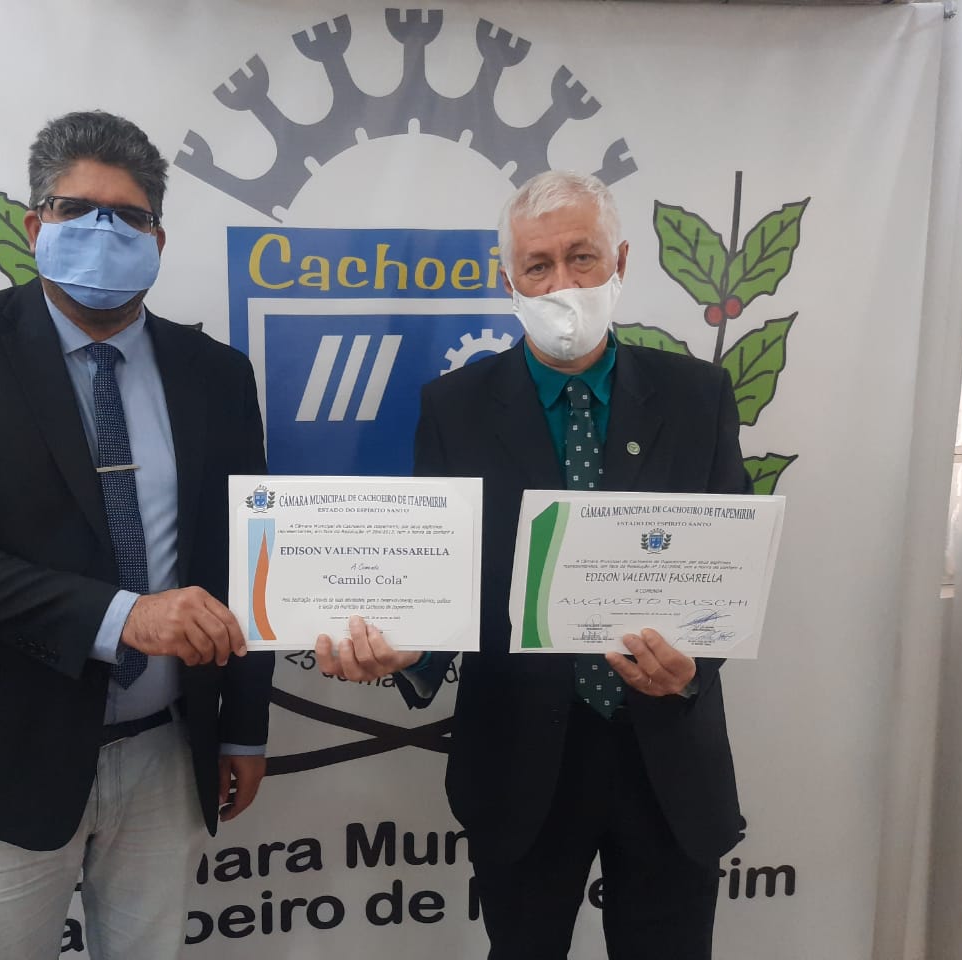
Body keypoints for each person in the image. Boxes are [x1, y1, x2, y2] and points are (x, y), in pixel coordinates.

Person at [316, 171, 749, 959]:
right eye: (538, 265)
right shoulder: (453, 407)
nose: (561, 285)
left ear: (620, 262)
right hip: (519, 759)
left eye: (582, 258)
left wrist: (692, 668)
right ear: (506, 277)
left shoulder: (698, 397)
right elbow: (440, 577)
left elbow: (729, 568)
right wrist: (411, 650)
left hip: (666, 758)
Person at [0, 110, 272, 960]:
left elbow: (245, 557)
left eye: (127, 216)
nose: (103, 230)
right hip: (1, 754)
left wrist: (242, 727)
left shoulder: (217, 375)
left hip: (167, 752)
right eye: (75, 209)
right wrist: (124, 616)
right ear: (33, 226)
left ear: (157, 239)